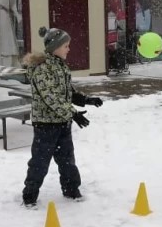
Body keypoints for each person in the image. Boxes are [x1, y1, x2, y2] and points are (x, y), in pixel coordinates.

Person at [21, 26, 103, 208]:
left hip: (62, 123)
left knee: (67, 160)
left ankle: (71, 190)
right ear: (55, 47)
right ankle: (30, 196)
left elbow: (65, 92)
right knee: (40, 163)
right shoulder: (42, 69)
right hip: (46, 125)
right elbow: (51, 97)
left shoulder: (60, 65)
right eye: (66, 45)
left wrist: (85, 99)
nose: (69, 49)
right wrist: (72, 113)